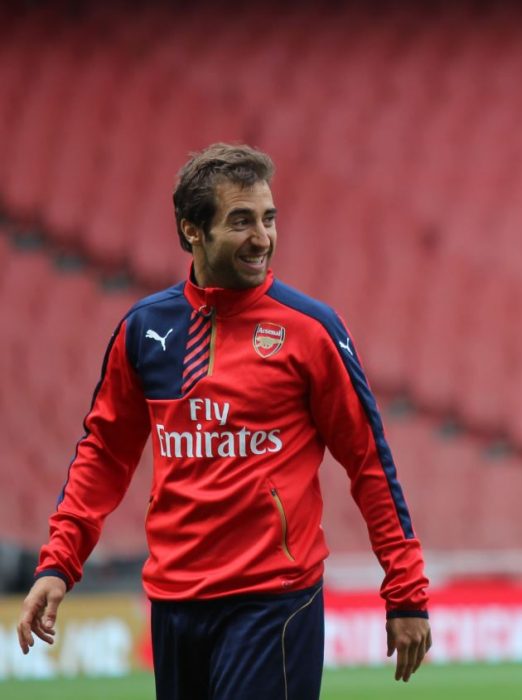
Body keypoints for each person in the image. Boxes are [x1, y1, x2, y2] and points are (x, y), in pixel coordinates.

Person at [15, 144, 431, 697]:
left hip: (272, 602)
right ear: (193, 230)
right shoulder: (145, 330)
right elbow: (104, 455)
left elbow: (369, 461)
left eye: (268, 219)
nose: (262, 238)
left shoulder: (310, 330)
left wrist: (405, 589)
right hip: (174, 604)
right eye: (241, 221)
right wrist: (58, 564)